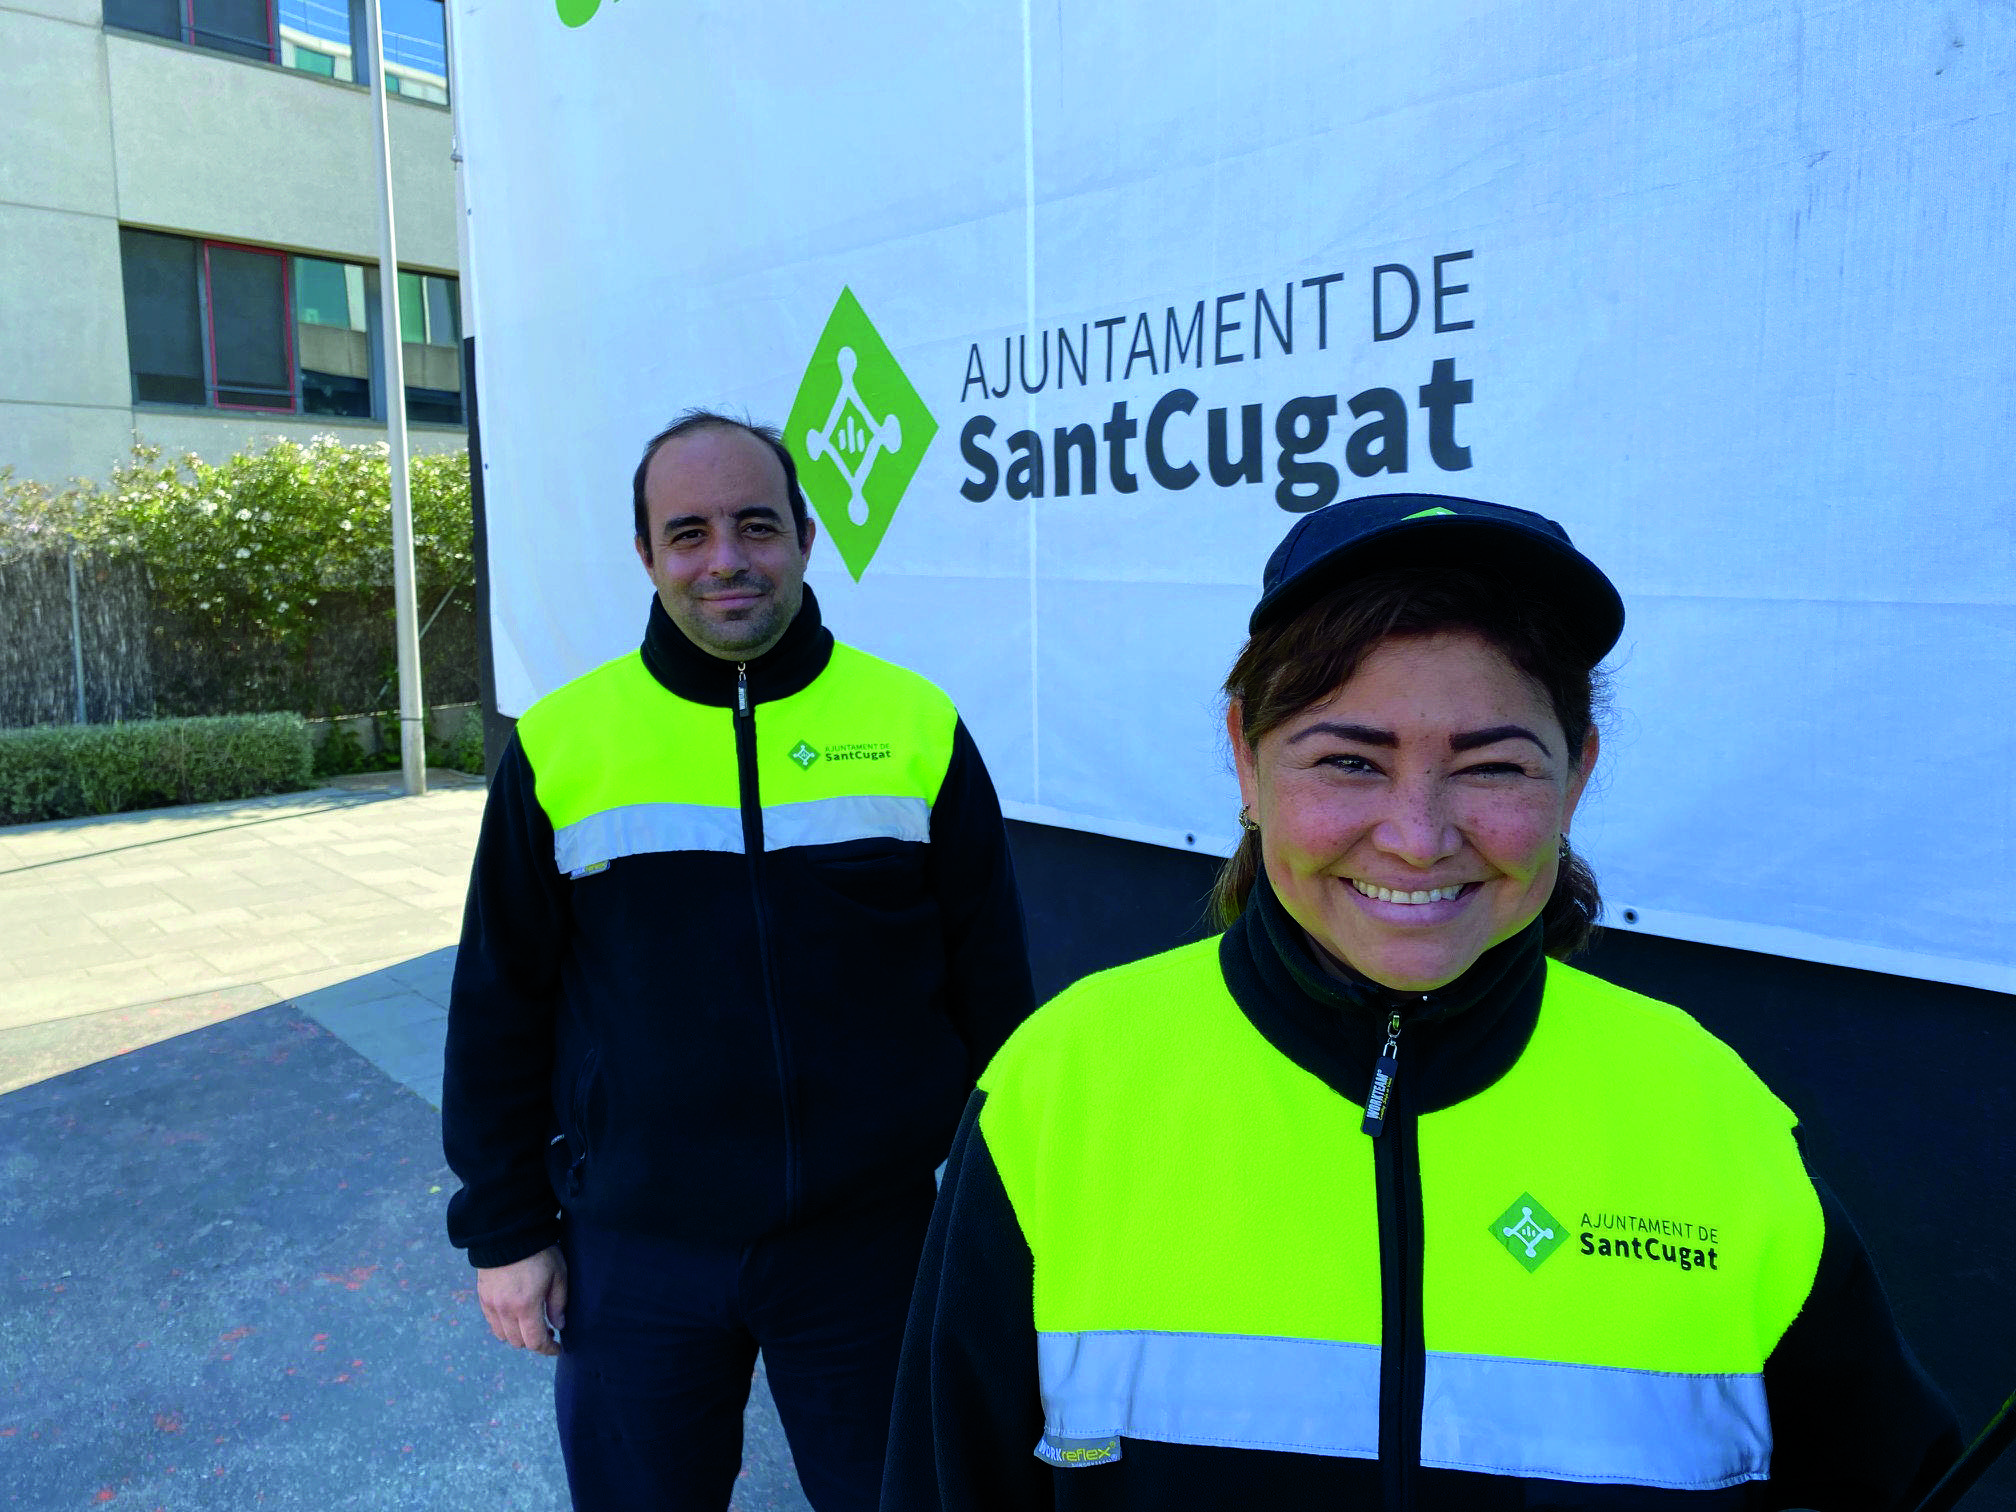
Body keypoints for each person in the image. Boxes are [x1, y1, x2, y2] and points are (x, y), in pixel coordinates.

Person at [882, 493, 1960, 1510]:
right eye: (1349, 760)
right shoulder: (1066, 1084)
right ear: (1245, 765)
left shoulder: (1708, 1107)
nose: (1417, 833)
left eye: (1491, 768)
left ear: (1575, 775)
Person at [443, 411, 1034, 1512]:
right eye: (691, 532)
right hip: (636, 1248)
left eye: (756, 526)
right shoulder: (567, 746)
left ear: (806, 537)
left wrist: (1010, 1218)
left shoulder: (915, 724)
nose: (727, 560)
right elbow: (498, 1005)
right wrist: (505, 1230)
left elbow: (993, 985)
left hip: (874, 1245)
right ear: (647, 555)